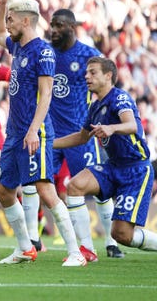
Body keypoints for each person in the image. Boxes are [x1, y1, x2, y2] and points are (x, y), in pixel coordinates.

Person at [0, 0, 85, 266]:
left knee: (45, 189)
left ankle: (76, 253)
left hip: (36, 131)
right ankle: (25, 248)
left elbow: (46, 94)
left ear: (26, 20)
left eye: (11, 19)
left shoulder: (42, 52)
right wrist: (2, 4)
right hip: (14, 133)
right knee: (4, 191)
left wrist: (34, 130)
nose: (7, 25)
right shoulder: (17, 46)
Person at [41, 9, 122, 259]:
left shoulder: (89, 55)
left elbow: (109, 85)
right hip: (52, 133)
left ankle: (111, 242)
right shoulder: (45, 53)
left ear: (72, 27)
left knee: (96, 187)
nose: (53, 30)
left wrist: (107, 119)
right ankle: (34, 239)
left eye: (59, 25)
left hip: (81, 133)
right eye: (51, 25)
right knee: (38, 181)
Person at [55, 57, 157, 254]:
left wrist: (111, 128)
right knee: (75, 186)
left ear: (108, 75)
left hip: (136, 169)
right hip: (113, 166)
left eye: (92, 72)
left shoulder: (120, 98)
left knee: (122, 235)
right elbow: (82, 137)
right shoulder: (95, 107)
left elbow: (132, 125)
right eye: (86, 72)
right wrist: (48, 144)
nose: (86, 76)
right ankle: (87, 250)